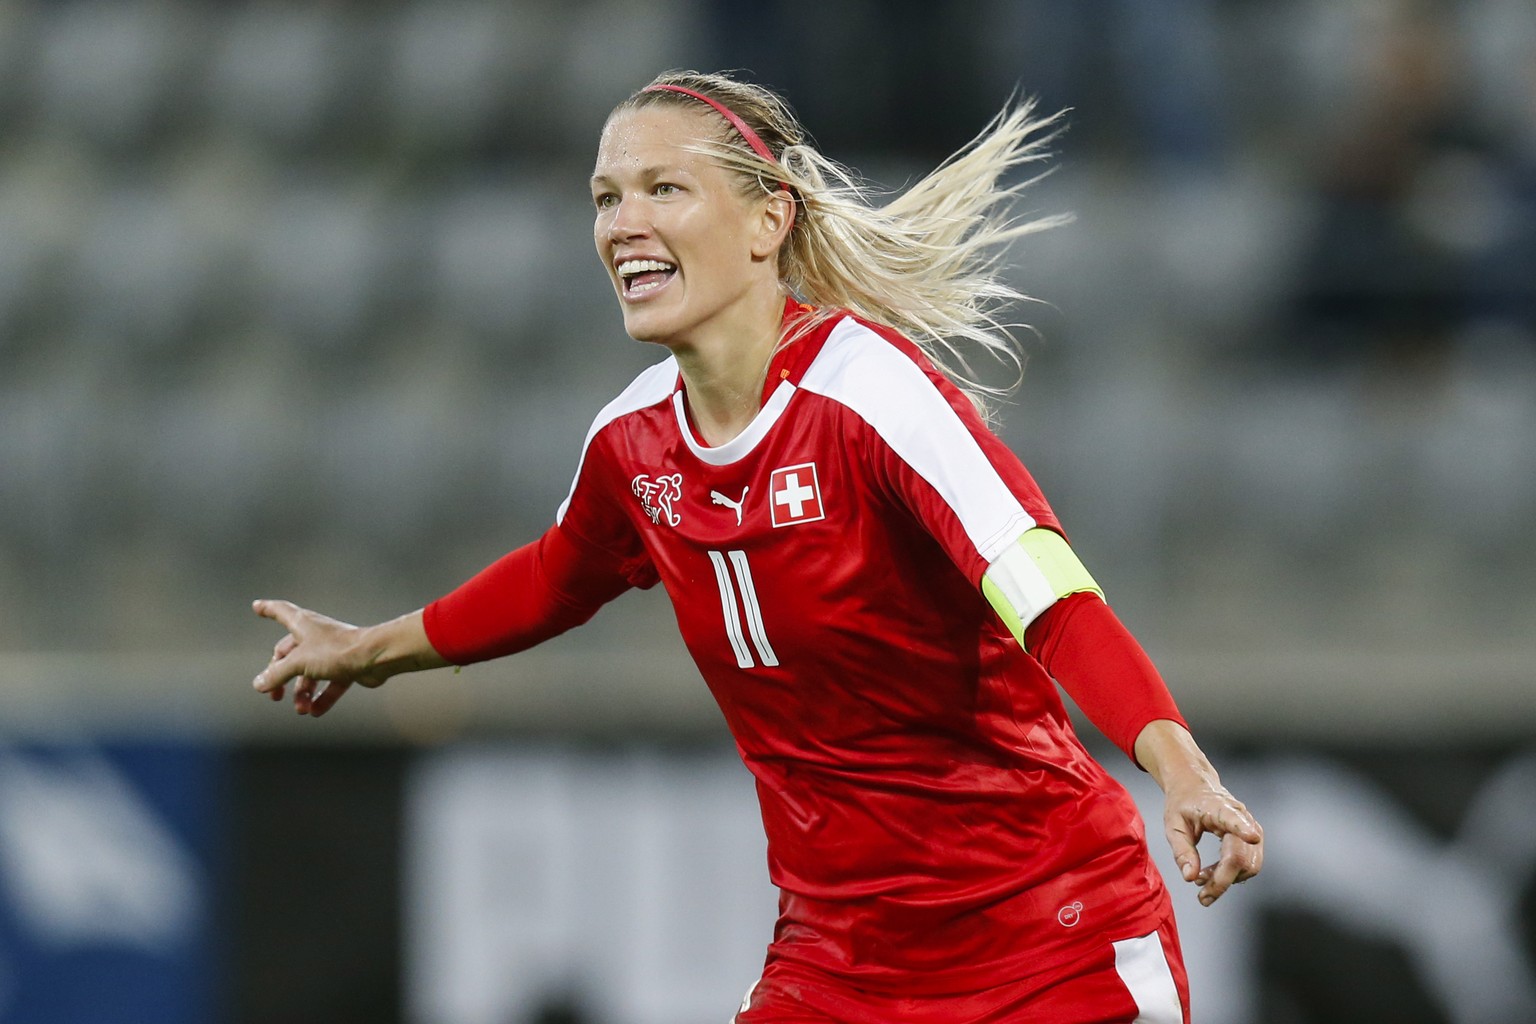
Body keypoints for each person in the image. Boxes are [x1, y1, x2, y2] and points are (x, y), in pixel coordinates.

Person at [251, 70, 1263, 1023]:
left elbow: (1053, 597)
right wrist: (367, 649)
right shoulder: (632, 440)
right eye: (605, 198)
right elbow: (557, 576)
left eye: (663, 188)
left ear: (767, 221)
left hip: (1047, 934)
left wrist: (1180, 768)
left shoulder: (873, 398)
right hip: (840, 958)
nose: (623, 224)